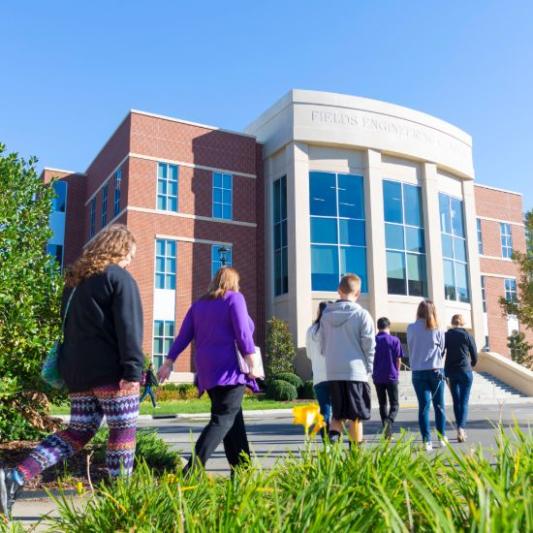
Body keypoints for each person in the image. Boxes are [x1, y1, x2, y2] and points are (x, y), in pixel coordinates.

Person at [0, 224, 144, 518]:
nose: (130, 260)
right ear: (121, 249)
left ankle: (14, 478)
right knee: (122, 430)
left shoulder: (74, 283)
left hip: (77, 374)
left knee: (76, 432)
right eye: (130, 254)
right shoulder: (119, 278)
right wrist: (133, 370)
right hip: (111, 373)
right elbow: (129, 328)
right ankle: (120, 504)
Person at [157, 267, 259, 473]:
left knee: (232, 419)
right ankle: (192, 469)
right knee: (223, 418)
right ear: (233, 282)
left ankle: (243, 471)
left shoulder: (198, 305)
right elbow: (243, 331)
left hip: (207, 370)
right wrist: (251, 359)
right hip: (230, 367)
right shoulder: (234, 299)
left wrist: (168, 362)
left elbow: (183, 336)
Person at [320, 274, 375, 445]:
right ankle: (355, 458)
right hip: (355, 371)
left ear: (339, 291)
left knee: (338, 414)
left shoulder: (325, 316)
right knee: (355, 417)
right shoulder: (362, 315)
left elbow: (322, 344)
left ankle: (332, 444)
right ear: (357, 293)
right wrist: (369, 367)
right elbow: (369, 345)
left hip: (333, 370)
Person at [407, 300, 446, 452]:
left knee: (424, 407)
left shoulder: (410, 328)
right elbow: (442, 348)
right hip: (436, 369)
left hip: (417, 371)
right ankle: (441, 438)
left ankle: (426, 441)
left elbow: (410, 346)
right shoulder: (437, 329)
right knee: (439, 406)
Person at [444, 314, 477, 443]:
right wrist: (472, 364)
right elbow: (474, 354)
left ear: (452, 323)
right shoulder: (467, 335)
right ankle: (461, 428)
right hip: (465, 371)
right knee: (464, 401)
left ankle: (459, 428)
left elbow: (441, 351)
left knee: (456, 401)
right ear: (462, 323)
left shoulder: (447, 335)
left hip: (451, 372)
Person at [373, 317, 404, 439]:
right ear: (389, 326)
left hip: (378, 376)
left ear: (378, 326)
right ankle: (389, 421)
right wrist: (397, 372)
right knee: (395, 404)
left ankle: (387, 432)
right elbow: (398, 359)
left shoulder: (373, 340)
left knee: (382, 404)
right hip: (392, 376)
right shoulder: (394, 340)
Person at [305, 302, 332, 438]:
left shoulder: (311, 330)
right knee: (337, 411)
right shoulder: (333, 329)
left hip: (319, 377)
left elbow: (309, 354)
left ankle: (326, 441)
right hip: (334, 376)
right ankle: (334, 438)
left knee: (324, 410)